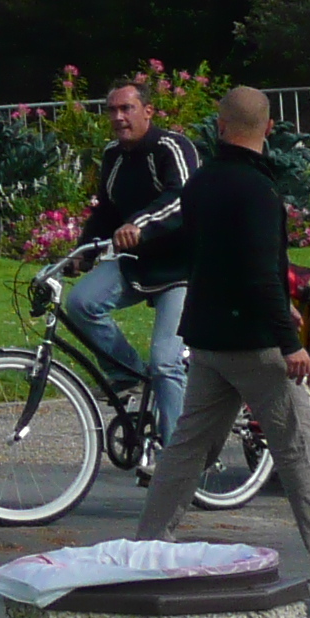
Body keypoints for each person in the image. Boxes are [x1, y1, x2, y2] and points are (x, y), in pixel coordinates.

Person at [126, 86, 310, 579]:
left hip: (206, 340)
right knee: (297, 447)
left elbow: (194, 250)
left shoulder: (202, 183)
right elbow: (260, 274)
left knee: (187, 448)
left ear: (221, 127)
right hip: (255, 344)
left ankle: (146, 546)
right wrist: (290, 342)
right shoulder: (259, 191)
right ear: (268, 130)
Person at [63, 75, 199, 463]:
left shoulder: (172, 146)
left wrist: (139, 223)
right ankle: (126, 374)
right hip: (137, 264)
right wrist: (81, 253)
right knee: (81, 303)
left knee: (166, 362)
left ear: (148, 111)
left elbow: (182, 199)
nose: (119, 117)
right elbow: (106, 210)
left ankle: (177, 464)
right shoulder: (113, 155)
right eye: (112, 110)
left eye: (127, 108)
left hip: (182, 268)